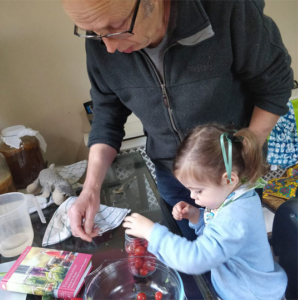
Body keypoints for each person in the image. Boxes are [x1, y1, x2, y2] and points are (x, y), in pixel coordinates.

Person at [61, 0, 293, 242]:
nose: (108, 47)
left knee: (237, 253)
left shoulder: (228, 8)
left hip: (230, 173)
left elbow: (275, 83)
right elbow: (107, 116)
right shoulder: (103, 40)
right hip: (172, 174)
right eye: (96, 35)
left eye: (116, 27)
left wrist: (245, 153)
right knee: (195, 245)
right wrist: (90, 190)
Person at [122, 123, 287, 300]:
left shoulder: (235, 217)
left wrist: (152, 232)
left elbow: (195, 259)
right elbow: (218, 235)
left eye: (198, 190)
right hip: (237, 286)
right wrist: (197, 216)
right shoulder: (236, 196)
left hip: (250, 294)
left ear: (229, 179)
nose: (193, 197)